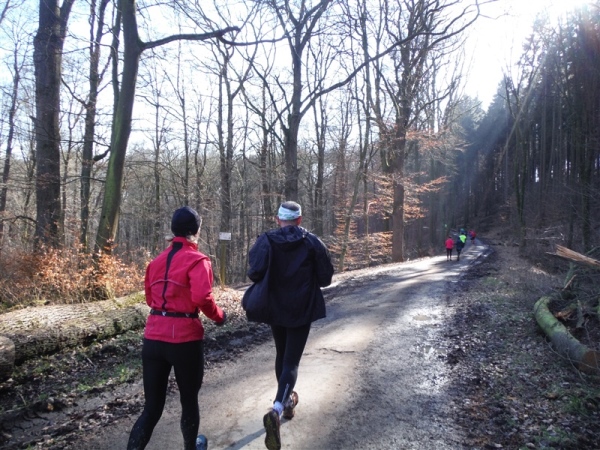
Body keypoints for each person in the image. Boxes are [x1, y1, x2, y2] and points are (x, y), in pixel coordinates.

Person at [127, 206, 227, 450]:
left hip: (153, 338)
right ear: (196, 230)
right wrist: (219, 316)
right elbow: (202, 298)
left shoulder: (155, 263)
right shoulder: (198, 260)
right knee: (189, 401)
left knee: (151, 408)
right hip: (184, 340)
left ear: (173, 230)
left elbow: (150, 299)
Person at [243, 201, 334, 450]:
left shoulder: (266, 240)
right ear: (300, 219)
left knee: (282, 356)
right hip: (301, 308)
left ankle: (286, 403)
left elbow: (254, 273)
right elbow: (325, 278)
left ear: (278, 219)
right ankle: (277, 408)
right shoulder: (313, 242)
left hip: (275, 307)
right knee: (291, 362)